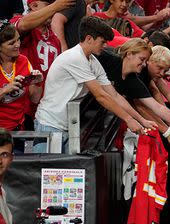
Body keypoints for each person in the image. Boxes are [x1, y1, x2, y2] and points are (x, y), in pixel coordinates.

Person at [35, 16, 154, 152]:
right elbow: (101, 96)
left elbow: (114, 95)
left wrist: (140, 120)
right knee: (45, 172)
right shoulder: (75, 57)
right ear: (89, 39)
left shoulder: (92, 61)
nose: (105, 46)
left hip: (65, 126)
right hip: (49, 125)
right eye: (102, 42)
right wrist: (128, 119)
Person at [10, 0, 73, 78]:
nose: (54, 11)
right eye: (48, 5)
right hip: (22, 87)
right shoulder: (19, 21)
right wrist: (55, 6)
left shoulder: (54, 38)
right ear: (34, 6)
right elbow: (22, 25)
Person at [0, 23, 44, 131]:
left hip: (19, 128)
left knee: (25, 147)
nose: (17, 45)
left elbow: (35, 99)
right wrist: (5, 90)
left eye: (18, 39)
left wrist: (37, 82)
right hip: (1, 131)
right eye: (11, 43)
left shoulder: (23, 61)